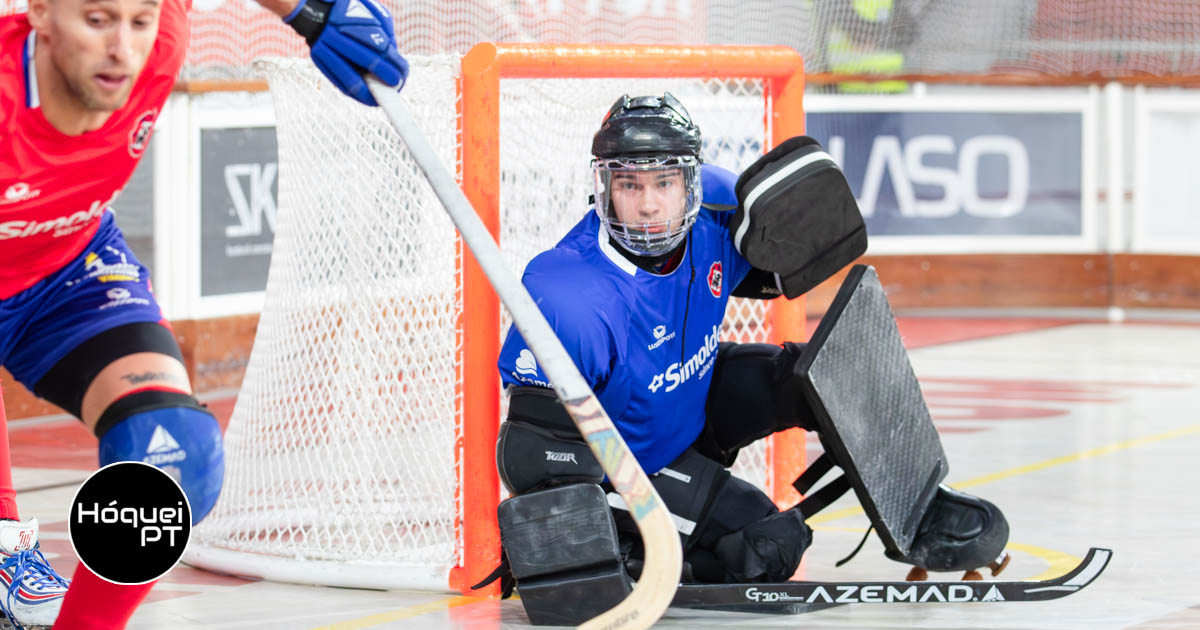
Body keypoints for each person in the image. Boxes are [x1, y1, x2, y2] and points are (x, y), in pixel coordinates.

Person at [488, 93, 1008, 624]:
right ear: (604, 188)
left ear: (688, 184)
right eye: (629, 185)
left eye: (664, 183)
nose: (647, 205)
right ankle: (643, 554)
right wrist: (588, 545)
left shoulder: (715, 212)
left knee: (823, 376)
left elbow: (780, 267)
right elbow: (530, 457)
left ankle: (920, 510)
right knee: (761, 542)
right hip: (634, 464)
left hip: (689, 403)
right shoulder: (569, 292)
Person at [0, 0, 407, 626]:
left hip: (66, 270)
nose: (123, 49)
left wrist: (311, 12)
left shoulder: (158, 44)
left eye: (138, 21)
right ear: (41, 15)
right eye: (98, 21)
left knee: (176, 460)